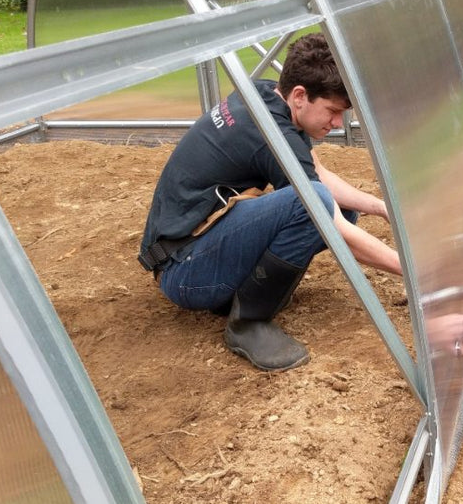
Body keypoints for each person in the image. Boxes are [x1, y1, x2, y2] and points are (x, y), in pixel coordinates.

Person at [139, 33, 401, 372]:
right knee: (316, 204)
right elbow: (331, 224)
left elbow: (315, 171)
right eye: (334, 111)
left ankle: (240, 293)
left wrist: (381, 207)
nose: (337, 124)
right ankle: (248, 322)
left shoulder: (265, 95)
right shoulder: (269, 135)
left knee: (336, 203)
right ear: (300, 96)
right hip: (184, 271)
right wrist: (413, 272)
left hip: (187, 249)